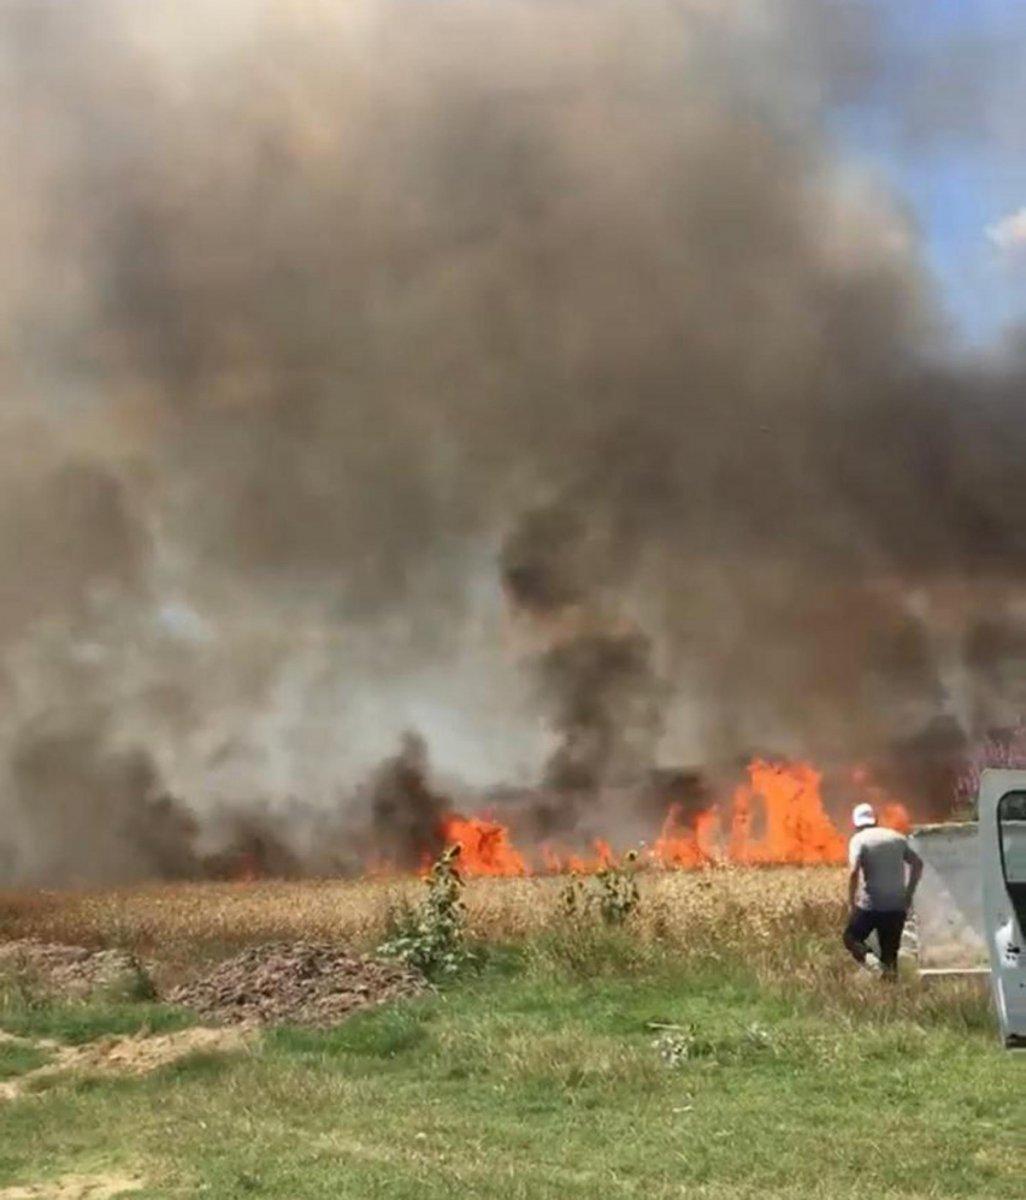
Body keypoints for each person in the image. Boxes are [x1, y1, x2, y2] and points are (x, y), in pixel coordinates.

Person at [842, 802, 923, 980]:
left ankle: (873, 963)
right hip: (896, 907)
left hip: (871, 906)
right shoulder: (896, 837)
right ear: (875, 820)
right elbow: (917, 863)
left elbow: (854, 871)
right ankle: (891, 993)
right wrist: (908, 894)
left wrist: (851, 903)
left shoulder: (859, 840)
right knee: (890, 955)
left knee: (851, 937)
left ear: (855, 823)